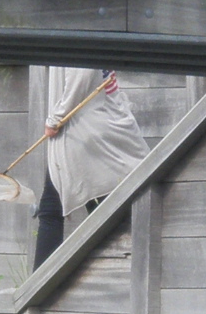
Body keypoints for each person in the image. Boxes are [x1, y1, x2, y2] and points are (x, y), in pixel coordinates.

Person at [32, 67, 149, 266]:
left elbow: (82, 71)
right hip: (97, 124)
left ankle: (37, 292)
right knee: (59, 209)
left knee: (56, 212)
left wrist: (56, 118)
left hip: (82, 131)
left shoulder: (70, 34)